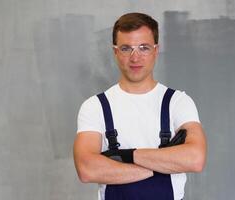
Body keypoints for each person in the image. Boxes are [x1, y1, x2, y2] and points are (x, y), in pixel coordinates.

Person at [73, 12, 207, 200]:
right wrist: (161, 166)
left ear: (156, 50)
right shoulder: (95, 106)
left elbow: (195, 159)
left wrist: (124, 155)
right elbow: (87, 169)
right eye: (126, 48)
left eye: (143, 47)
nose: (135, 58)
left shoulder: (178, 102)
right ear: (115, 52)